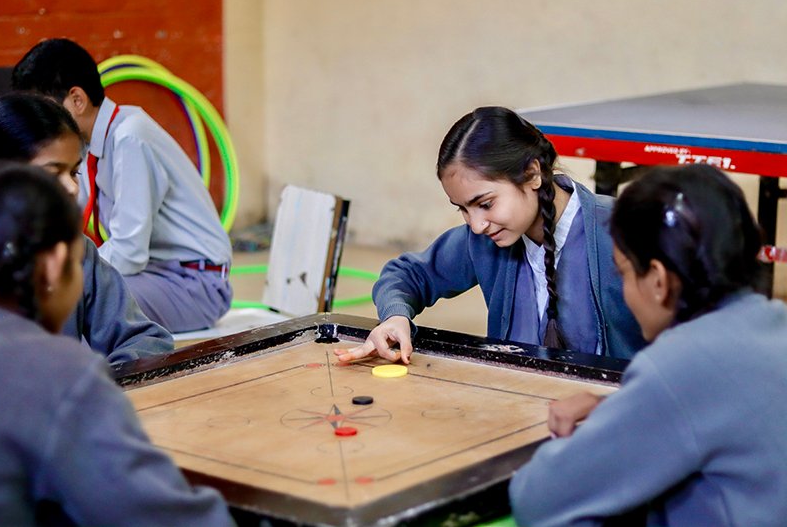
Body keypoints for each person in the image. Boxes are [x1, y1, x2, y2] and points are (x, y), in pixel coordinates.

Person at [509, 164, 787, 526]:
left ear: (658, 280)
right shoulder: (774, 323)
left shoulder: (679, 364)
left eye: (624, 273)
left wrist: (609, 426)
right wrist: (627, 408)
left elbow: (538, 497)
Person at [0, 161, 235, 526]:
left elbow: (145, 338)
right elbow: (167, 518)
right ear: (55, 266)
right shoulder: (57, 374)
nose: (71, 185)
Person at [336, 106, 644, 364]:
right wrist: (395, 317)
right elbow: (406, 275)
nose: (476, 224)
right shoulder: (482, 241)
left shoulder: (626, 229)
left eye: (485, 204)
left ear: (533, 174)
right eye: (463, 209)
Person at [12, 38, 233, 333]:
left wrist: (61, 272)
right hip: (156, 274)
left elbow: (129, 253)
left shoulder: (130, 137)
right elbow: (69, 220)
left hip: (194, 284)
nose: (42, 124)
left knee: (80, 298)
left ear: (77, 100)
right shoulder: (88, 146)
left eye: (45, 109)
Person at [0, 92, 173, 364]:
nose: (73, 188)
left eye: (74, 172)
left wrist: (91, 386)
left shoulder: (77, 250)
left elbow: (145, 340)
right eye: (52, 173)